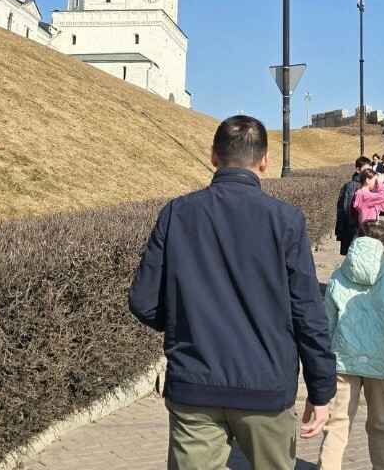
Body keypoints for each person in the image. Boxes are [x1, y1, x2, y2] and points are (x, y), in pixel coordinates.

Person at [128, 116, 336, 470]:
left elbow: (144, 301)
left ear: (213, 156)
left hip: (195, 382)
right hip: (267, 385)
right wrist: (321, 389)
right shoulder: (285, 220)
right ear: (265, 161)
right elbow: (307, 313)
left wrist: (184, 325)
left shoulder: (177, 214)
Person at [317, 220, 384, 470]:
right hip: (379, 362)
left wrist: (321, 366)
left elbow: (326, 326)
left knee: (337, 424)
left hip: (342, 361)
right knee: (381, 423)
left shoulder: (338, 277)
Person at [336, 156, 371, 256]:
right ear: (358, 170)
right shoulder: (351, 186)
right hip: (354, 229)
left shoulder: (370, 185)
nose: (368, 173)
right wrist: (340, 232)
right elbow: (344, 210)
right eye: (366, 169)